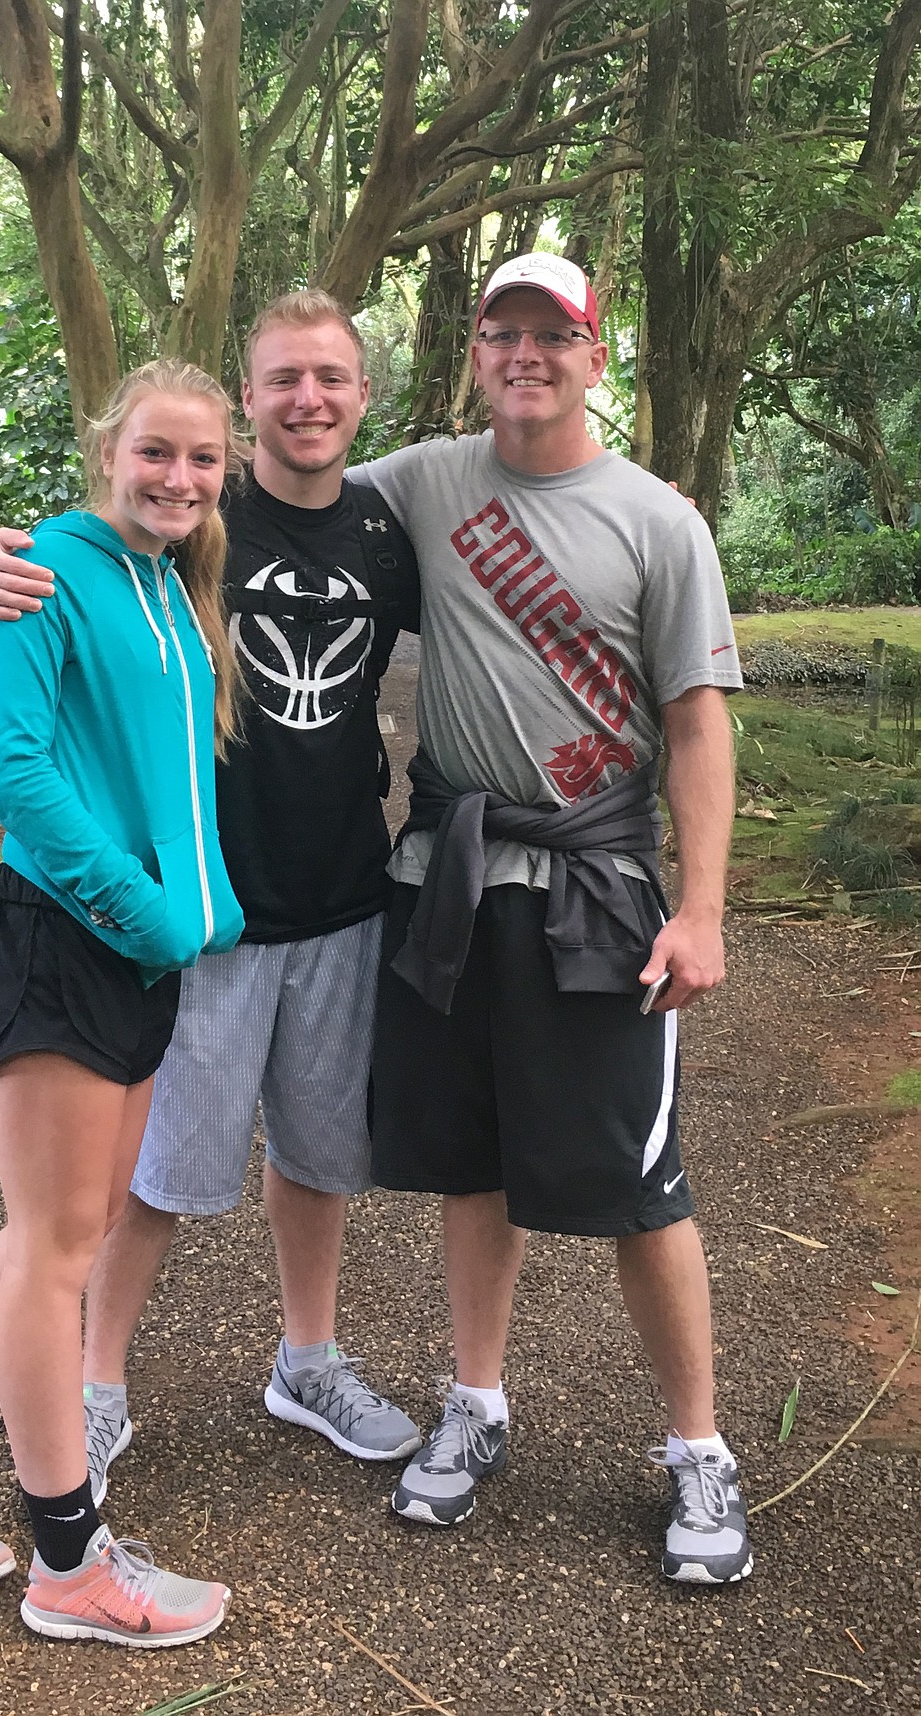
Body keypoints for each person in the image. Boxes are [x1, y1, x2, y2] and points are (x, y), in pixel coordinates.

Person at [0, 291, 424, 1499]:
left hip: (343, 897)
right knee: (156, 1177)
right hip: (202, 906)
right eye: (283, 379)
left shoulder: (384, 529)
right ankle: (95, 1381)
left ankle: (307, 1360)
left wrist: (663, 506)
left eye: (331, 377)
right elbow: (76, 573)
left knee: (321, 1156)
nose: (308, 399)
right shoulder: (190, 525)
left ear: (362, 396)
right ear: (249, 397)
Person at [349, 253, 751, 1583]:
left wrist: (698, 907)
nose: (522, 353)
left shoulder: (655, 523)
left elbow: (696, 721)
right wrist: (38, 554)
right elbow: (269, 508)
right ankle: (474, 1405)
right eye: (499, 332)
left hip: (599, 889)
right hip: (457, 882)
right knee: (473, 1163)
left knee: (641, 1186)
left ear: (592, 354)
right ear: (475, 349)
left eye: (550, 335)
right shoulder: (423, 483)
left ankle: (697, 1450)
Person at [0, 359, 246, 1646]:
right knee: (59, 1256)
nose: (177, 478)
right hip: (60, 947)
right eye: (155, 454)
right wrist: (149, 911)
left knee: (45, 1236)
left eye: (199, 458)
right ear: (107, 451)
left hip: (135, 958)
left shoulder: (172, 586)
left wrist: (189, 917)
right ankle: (69, 1567)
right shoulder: (44, 569)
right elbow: (12, 773)